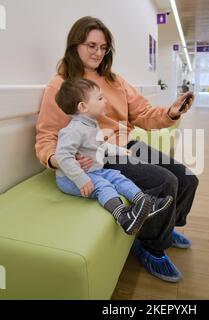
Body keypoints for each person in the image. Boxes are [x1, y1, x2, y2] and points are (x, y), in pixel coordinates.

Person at [35, 16, 198, 283]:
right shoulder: (62, 84)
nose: (98, 53)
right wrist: (59, 161)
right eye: (91, 46)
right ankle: (150, 247)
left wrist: (170, 112)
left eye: (103, 47)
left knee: (188, 178)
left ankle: (165, 227)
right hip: (99, 154)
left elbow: (144, 113)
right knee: (165, 182)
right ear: (74, 45)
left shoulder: (115, 80)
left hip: (127, 145)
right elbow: (46, 136)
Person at [54, 78, 173, 236]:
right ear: (83, 106)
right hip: (70, 179)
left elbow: (100, 146)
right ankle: (124, 217)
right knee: (103, 186)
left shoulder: (91, 124)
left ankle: (145, 202)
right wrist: (81, 179)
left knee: (117, 176)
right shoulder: (74, 130)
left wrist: (119, 150)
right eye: (100, 98)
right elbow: (62, 156)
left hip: (94, 171)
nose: (105, 101)